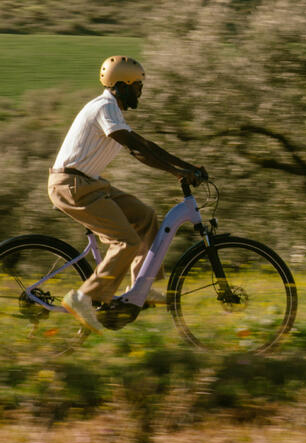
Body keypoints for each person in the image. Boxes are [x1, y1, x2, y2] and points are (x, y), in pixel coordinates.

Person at [47, 56, 207, 332]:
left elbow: (145, 146)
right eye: (137, 87)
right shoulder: (104, 107)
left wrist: (186, 167)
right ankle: (84, 297)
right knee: (126, 241)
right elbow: (136, 148)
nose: (140, 92)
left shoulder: (113, 111)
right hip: (72, 186)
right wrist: (176, 171)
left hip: (89, 184)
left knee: (144, 217)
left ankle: (139, 288)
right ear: (121, 86)